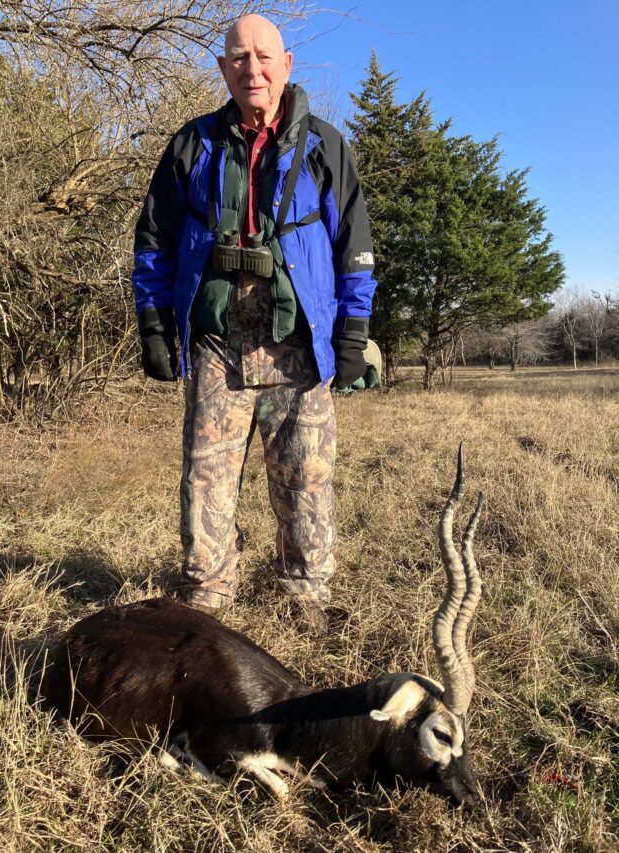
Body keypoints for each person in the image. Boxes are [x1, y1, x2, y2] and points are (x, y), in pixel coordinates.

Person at [131, 14, 376, 635]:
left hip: (299, 341)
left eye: (264, 56)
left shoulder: (325, 146)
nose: (252, 69)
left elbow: (354, 249)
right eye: (239, 57)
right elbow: (154, 242)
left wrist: (352, 332)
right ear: (223, 68)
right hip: (217, 339)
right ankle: (207, 591)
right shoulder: (191, 145)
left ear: (286, 64)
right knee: (205, 477)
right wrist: (155, 326)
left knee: (305, 477)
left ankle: (306, 592)